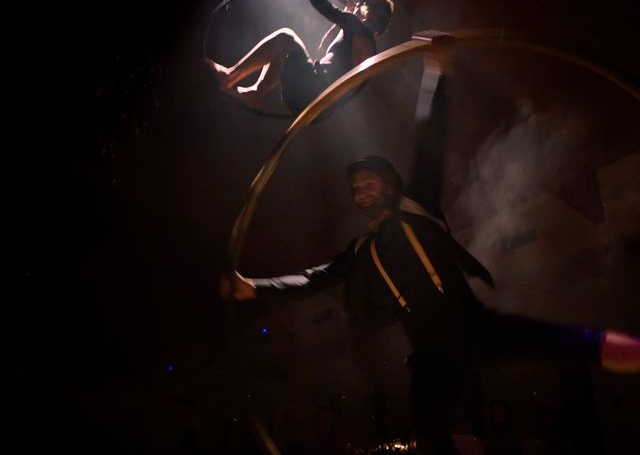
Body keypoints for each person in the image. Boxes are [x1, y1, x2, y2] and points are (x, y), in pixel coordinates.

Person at [221, 75, 640, 453]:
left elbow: (430, 143)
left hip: (471, 327)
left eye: (369, 182)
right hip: (429, 355)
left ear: (389, 185)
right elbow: (315, 278)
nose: (361, 191)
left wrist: (435, 74)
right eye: (355, 188)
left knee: (562, 343)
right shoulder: (362, 249)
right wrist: (255, 287)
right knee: (432, 439)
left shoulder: (417, 207)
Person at [206, 0, 394, 115]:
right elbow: (323, 48)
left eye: (361, 2)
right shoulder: (365, 43)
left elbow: (326, 9)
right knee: (288, 56)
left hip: (313, 89)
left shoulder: (360, 29)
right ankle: (255, 94)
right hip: (315, 103)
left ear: (368, 9)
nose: (357, 4)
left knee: (285, 37)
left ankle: (230, 76)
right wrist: (344, 16)